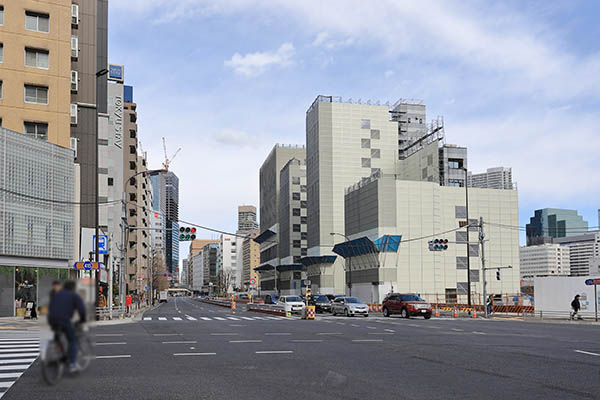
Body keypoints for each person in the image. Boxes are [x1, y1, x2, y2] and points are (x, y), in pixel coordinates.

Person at [47, 281, 87, 373]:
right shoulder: (74, 295)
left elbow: (51, 306)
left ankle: (59, 352)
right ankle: (72, 364)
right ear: (73, 288)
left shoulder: (57, 294)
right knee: (72, 340)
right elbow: (81, 309)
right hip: (64, 320)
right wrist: (82, 320)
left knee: (57, 336)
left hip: (52, 319)